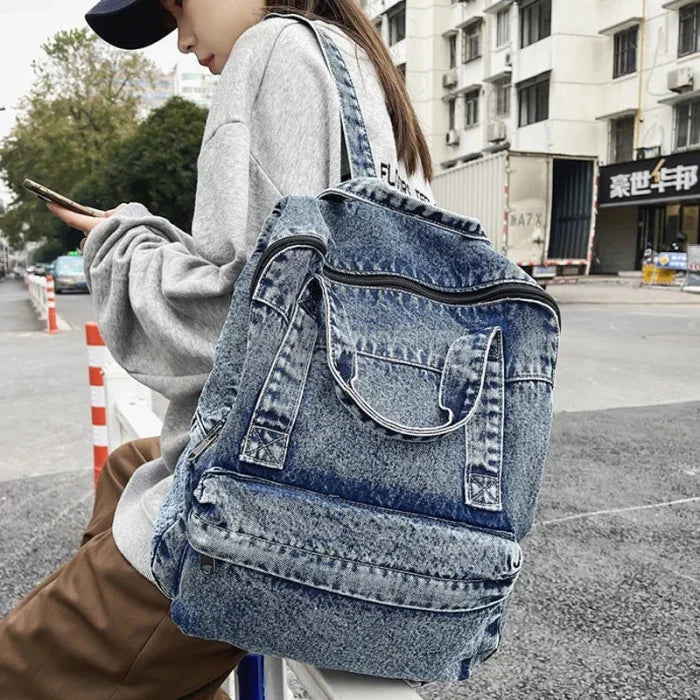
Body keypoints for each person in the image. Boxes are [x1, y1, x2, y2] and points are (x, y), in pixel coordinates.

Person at [0, 0, 435, 697]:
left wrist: (119, 246)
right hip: (374, 491)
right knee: (126, 465)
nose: (183, 39)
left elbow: (234, 335)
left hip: (259, 519)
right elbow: (290, 287)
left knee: (18, 673)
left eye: (178, 6)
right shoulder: (363, 71)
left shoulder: (272, 52)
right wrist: (148, 236)